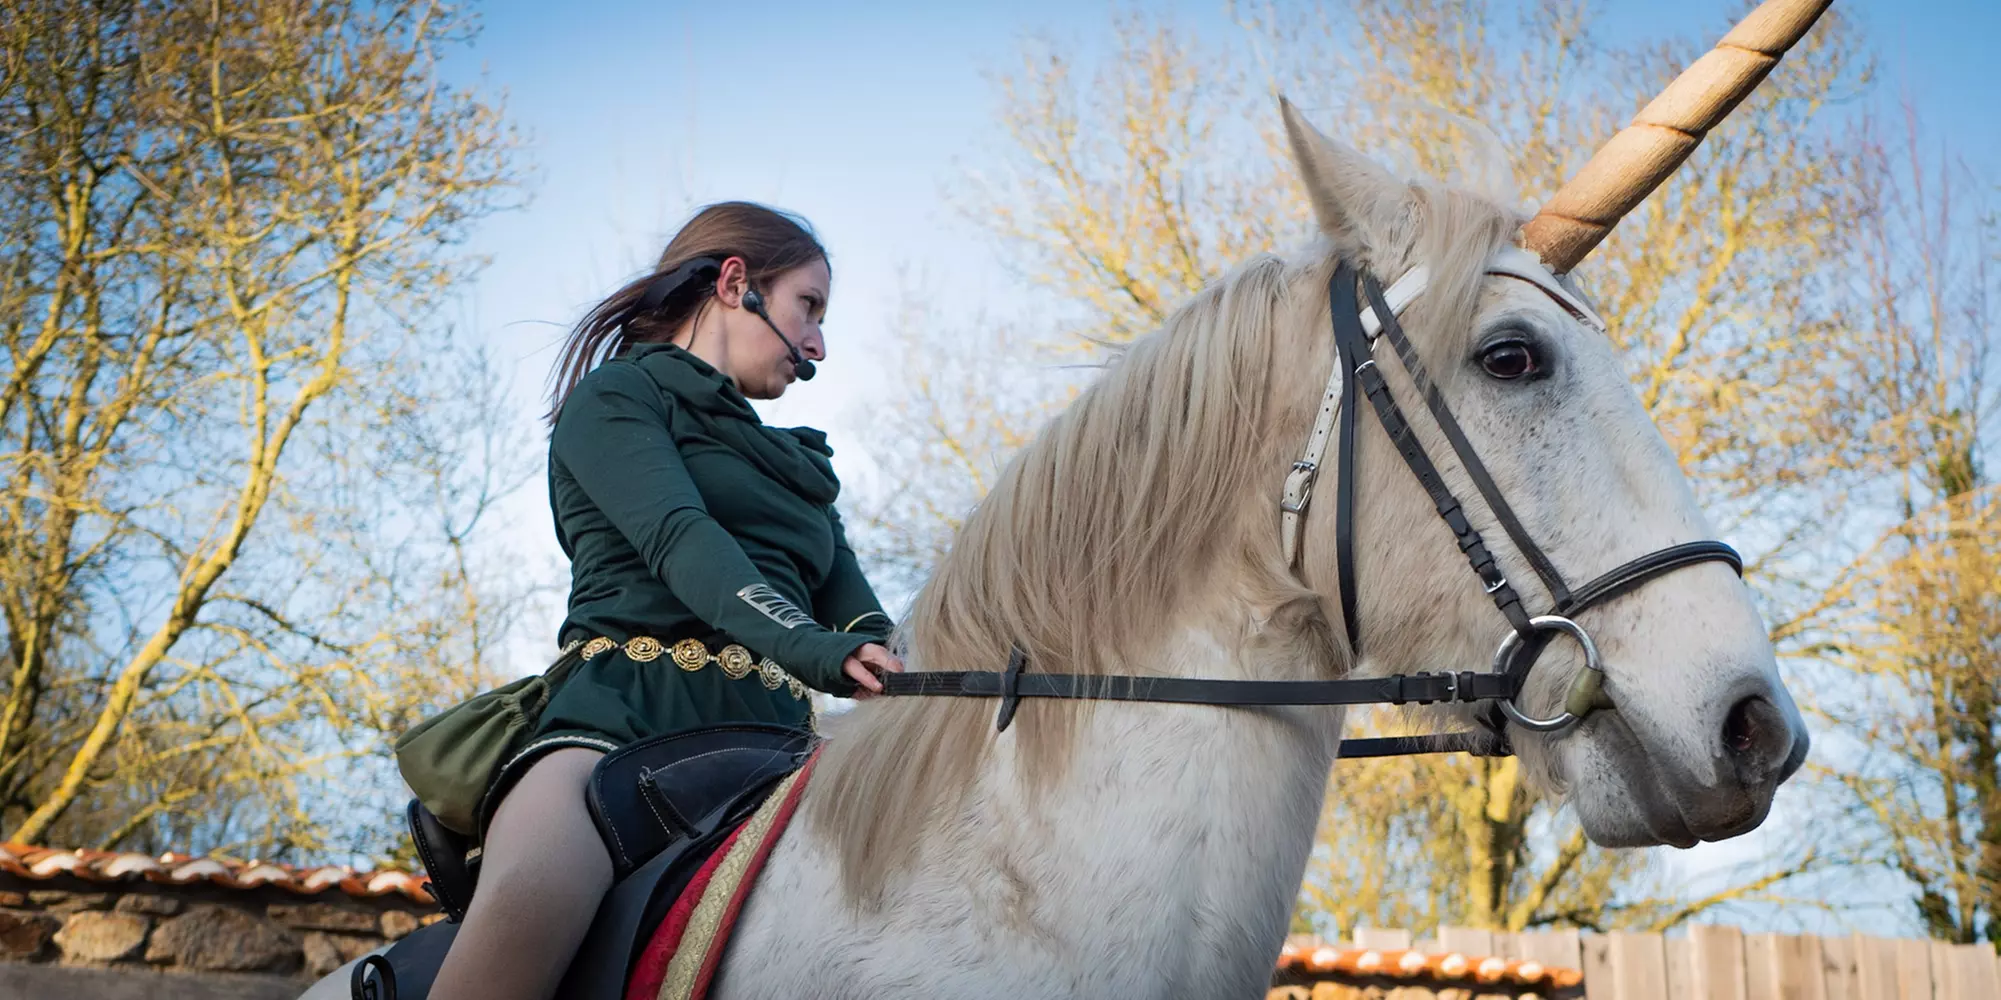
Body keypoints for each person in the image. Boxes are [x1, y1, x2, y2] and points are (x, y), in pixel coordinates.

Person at [429, 201, 904, 1000]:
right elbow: (684, 542)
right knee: (535, 895)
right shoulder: (615, 400)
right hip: (615, 730)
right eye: (808, 307)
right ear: (735, 284)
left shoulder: (798, 465)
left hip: (780, 744)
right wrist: (819, 652)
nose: (819, 343)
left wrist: (907, 669)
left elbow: (855, 610)